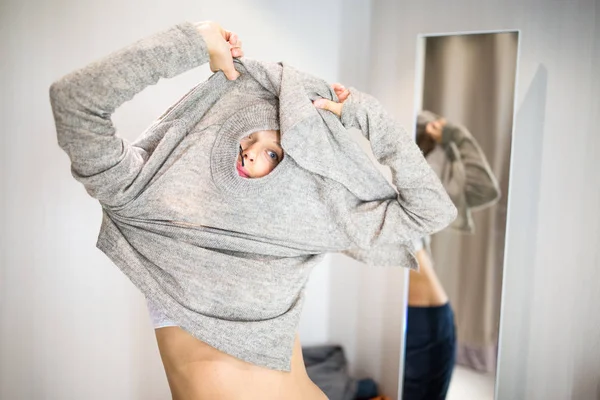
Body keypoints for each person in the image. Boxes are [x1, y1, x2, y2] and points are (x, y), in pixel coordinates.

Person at [50, 20, 457, 400]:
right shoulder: (145, 191)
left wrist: (369, 118)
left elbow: (431, 211)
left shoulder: (305, 216)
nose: (250, 152)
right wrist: (193, 40)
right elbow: (74, 102)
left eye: (274, 152)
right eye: (252, 136)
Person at [402, 111, 501, 400]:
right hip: (415, 320)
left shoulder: (421, 186)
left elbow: (485, 189)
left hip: (427, 321)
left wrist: (454, 136)